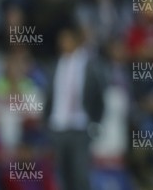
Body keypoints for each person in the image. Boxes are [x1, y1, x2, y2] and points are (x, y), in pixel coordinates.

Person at [44, 24, 105, 190]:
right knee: (61, 176)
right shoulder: (55, 65)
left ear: (76, 41)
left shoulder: (89, 66)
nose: (63, 43)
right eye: (61, 40)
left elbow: (98, 97)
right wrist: (46, 121)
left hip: (80, 127)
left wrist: (95, 123)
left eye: (67, 39)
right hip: (58, 126)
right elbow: (49, 96)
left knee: (80, 175)